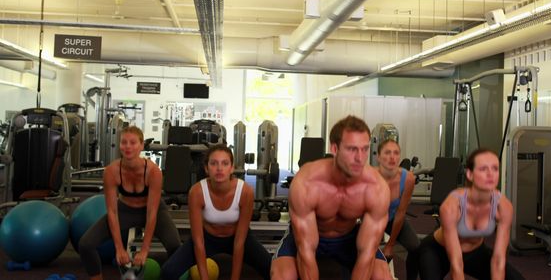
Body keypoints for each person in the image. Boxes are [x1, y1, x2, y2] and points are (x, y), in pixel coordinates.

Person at [271, 115, 393, 280]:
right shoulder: (307, 182)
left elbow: (366, 255)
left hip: (349, 237)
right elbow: (305, 252)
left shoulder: (376, 188)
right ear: (335, 149)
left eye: (364, 149)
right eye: (352, 149)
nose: (360, 158)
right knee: (282, 276)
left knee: (382, 276)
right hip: (311, 236)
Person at [79, 126, 181, 280]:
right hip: (124, 210)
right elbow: (112, 211)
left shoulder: (153, 172)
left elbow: (151, 213)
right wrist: (119, 248)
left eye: (133, 143)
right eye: (124, 142)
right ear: (119, 145)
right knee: (86, 244)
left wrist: (145, 250)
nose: (127, 147)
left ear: (141, 146)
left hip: (153, 210)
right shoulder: (111, 172)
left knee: (174, 245)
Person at [407, 148, 524, 280]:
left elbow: (498, 260)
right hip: (438, 251)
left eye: (495, 168)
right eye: (483, 169)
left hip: (476, 252)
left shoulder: (503, 206)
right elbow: (456, 266)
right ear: (470, 174)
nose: (490, 174)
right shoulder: (452, 206)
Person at [161, 144, 271, 280]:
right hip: (207, 239)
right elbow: (198, 241)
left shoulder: (245, 191)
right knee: (168, 272)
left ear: (232, 168)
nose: (219, 168)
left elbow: (239, 242)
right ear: (207, 169)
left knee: (272, 270)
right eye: (214, 163)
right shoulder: (197, 192)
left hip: (237, 238)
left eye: (225, 163)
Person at [375, 140, 420, 274]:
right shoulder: (370, 177)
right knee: (363, 252)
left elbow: (400, 213)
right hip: (372, 220)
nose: (392, 157)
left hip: (393, 219)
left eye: (396, 153)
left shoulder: (408, 178)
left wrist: (390, 245)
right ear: (378, 157)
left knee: (416, 247)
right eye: (387, 153)